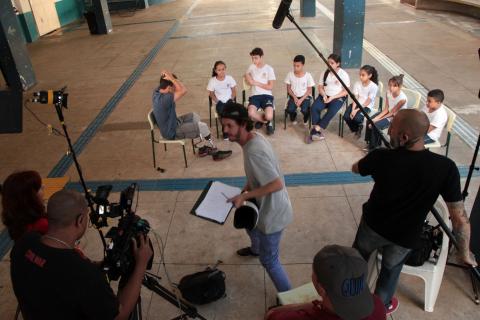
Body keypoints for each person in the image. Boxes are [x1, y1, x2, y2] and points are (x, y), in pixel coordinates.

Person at [351, 109, 477, 315]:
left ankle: (352, 301)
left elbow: (355, 168)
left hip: (372, 227)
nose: (389, 130)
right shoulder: (445, 168)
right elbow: (460, 219)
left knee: (357, 263)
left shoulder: (381, 157)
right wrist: (464, 253)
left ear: (404, 137)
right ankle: (379, 311)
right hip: (404, 238)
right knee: (390, 273)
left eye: (392, 128)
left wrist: (377, 164)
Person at [10, 189, 153, 320]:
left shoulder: (23, 244)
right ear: (80, 220)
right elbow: (119, 316)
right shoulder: (83, 274)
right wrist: (141, 264)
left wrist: (99, 265)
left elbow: (50, 268)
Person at [221, 102, 293, 292]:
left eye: (230, 125)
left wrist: (246, 196)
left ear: (243, 124)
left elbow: (277, 184)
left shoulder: (253, 151)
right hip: (263, 206)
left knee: (270, 261)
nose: (225, 130)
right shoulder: (254, 139)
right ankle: (255, 249)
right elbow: (258, 174)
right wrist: (246, 189)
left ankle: (289, 300)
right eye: (224, 125)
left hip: (273, 214)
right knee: (250, 225)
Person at [265, 245, 386, 320]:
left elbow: (271, 315)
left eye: (313, 273)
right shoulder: (378, 306)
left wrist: (277, 311)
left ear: (321, 289)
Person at [153, 70, 232, 161]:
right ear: (170, 87)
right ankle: (215, 152)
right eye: (174, 86)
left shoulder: (157, 91)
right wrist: (171, 78)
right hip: (172, 131)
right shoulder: (165, 99)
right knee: (202, 127)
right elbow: (183, 90)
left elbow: (176, 87)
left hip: (173, 122)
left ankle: (202, 148)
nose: (176, 89)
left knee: (194, 116)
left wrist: (170, 78)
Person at [307, 54, 350, 143]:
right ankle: (317, 131)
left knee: (332, 111)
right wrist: (324, 95)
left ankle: (316, 130)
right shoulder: (325, 73)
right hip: (325, 95)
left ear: (338, 64)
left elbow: (346, 91)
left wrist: (333, 97)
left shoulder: (343, 74)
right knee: (314, 107)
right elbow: (320, 87)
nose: (329, 64)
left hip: (337, 97)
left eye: (332, 63)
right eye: (328, 62)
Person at [364, 74, 407, 151]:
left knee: (375, 125)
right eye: (390, 85)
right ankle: (370, 142)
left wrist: (376, 120)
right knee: (369, 120)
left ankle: (373, 147)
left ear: (400, 87)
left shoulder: (402, 99)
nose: (391, 88)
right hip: (389, 113)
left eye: (394, 86)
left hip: (396, 118)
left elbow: (392, 113)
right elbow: (386, 109)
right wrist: (376, 118)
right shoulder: (388, 92)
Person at [1, 170, 48, 241]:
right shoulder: (42, 224)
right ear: (31, 198)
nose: (44, 186)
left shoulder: (15, 218)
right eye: (39, 188)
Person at [245, 47, 276, 135]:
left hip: (267, 96)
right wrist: (248, 78)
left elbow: (270, 86)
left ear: (261, 57)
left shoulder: (269, 69)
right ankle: (267, 122)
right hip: (255, 96)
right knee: (250, 113)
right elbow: (246, 74)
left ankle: (264, 120)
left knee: (269, 115)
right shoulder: (251, 67)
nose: (254, 60)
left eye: (256, 58)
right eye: (252, 58)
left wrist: (256, 83)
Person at [343, 65, 379, 137]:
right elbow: (355, 98)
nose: (360, 77)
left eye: (363, 75)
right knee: (346, 117)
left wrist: (355, 111)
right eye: (360, 75)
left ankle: (358, 125)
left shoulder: (374, 86)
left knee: (357, 118)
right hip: (356, 104)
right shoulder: (357, 83)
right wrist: (353, 109)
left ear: (369, 76)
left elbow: (367, 102)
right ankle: (356, 128)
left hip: (366, 106)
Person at [207, 61, 237, 140]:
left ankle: (226, 129)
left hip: (229, 100)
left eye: (223, 69)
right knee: (222, 112)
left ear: (225, 69)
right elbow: (211, 94)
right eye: (219, 70)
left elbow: (234, 91)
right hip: (219, 102)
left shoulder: (229, 78)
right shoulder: (212, 81)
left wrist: (231, 99)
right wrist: (217, 101)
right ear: (215, 71)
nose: (221, 71)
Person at [284, 54, 315, 126]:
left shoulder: (308, 76)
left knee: (304, 109)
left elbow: (309, 90)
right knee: (290, 109)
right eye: (294, 65)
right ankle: (293, 116)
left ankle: (306, 117)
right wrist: (294, 97)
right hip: (293, 96)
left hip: (305, 97)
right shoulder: (290, 74)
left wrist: (301, 99)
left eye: (298, 66)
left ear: (303, 65)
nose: (295, 68)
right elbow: (288, 89)